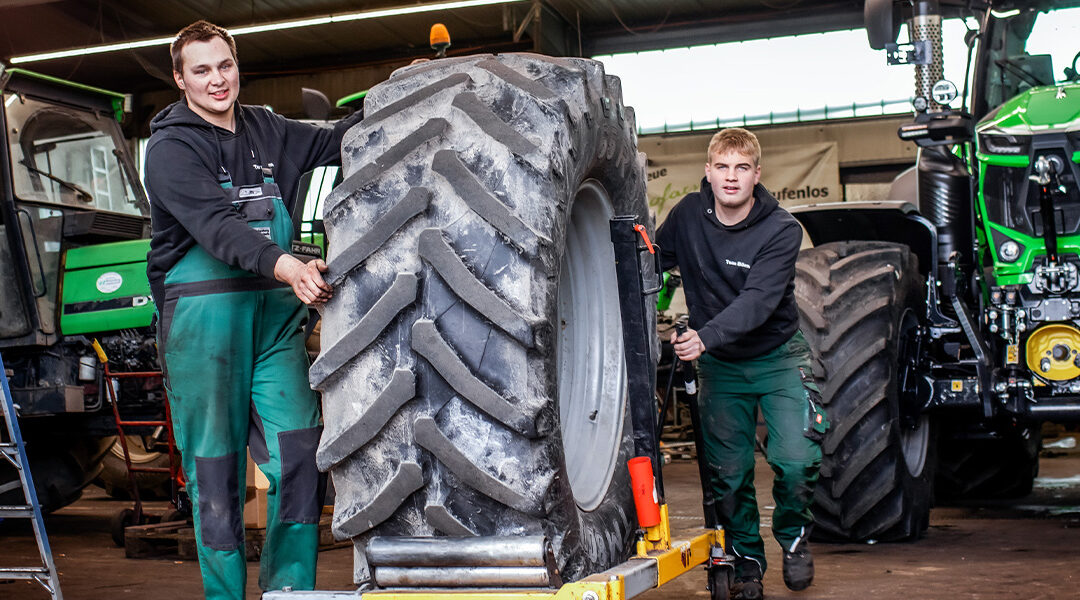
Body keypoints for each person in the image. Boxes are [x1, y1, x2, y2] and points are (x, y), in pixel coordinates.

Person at [144, 20, 361, 600]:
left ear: (236, 65)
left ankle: (289, 592)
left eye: (225, 66)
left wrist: (396, 98)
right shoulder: (169, 149)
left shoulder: (266, 128)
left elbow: (335, 139)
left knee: (300, 461)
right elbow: (217, 229)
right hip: (202, 329)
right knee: (215, 479)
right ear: (179, 79)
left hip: (273, 327)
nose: (217, 80)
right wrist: (289, 266)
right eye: (201, 71)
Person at [655, 128, 825, 600]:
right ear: (708, 172)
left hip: (777, 358)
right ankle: (748, 564)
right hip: (721, 368)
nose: (731, 178)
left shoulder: (781, 230)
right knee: (728, 476)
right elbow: (652, 261)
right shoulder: (688, 214)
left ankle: (793, 536)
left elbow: (759, 301)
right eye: (722, 167)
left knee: (795, 461)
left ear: (757, 175)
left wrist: (703, 338)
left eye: (741, 168)